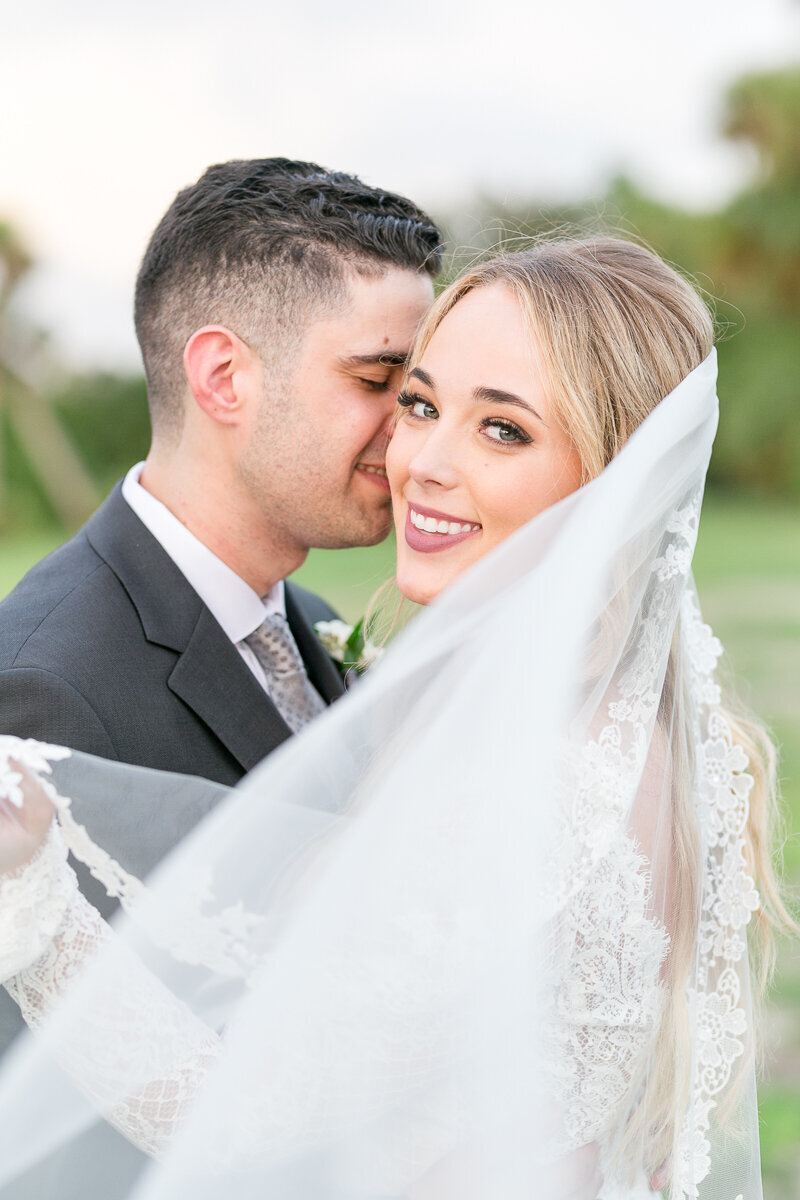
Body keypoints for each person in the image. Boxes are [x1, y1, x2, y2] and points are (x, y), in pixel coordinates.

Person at [0, 238, 789, 1200]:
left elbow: (240, 1116)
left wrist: (32, 902)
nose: (419, 463)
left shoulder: (530, 783)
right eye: (419, 404)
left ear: (615, 477)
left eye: (503, 431)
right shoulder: (618, 734)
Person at [0, 157, 440, 785]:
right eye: (375, 379)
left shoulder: (308, 620)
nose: (411, 426)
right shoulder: (42, 693)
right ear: (224, 379)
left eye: (415, 391)